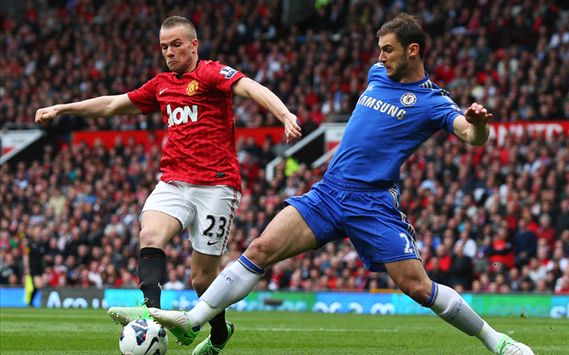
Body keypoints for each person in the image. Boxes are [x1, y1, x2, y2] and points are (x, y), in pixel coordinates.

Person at [149, 14, 534, 354]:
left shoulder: (433, 102)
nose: (380, 58)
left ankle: (496, 341)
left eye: (388, 50)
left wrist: (479, 125)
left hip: (372, 204)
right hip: (329, 192)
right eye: (379, 50)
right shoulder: (377, 75)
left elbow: (469, 134)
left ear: (413, 50)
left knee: (418, 288)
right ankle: (194, 319)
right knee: (261, 247)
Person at [35, 15, 301, 355]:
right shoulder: (161, 84)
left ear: (193, 45)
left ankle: (219, 334)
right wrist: (63, 108)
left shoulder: (209, 73)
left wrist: (285, 115)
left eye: (176, 45)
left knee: (202, 280)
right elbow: (114, 104)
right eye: (164, 47)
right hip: (174, 181)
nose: (170, 52)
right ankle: (150, 314)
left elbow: (251, 87)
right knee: (150, 235)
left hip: (216, 187)